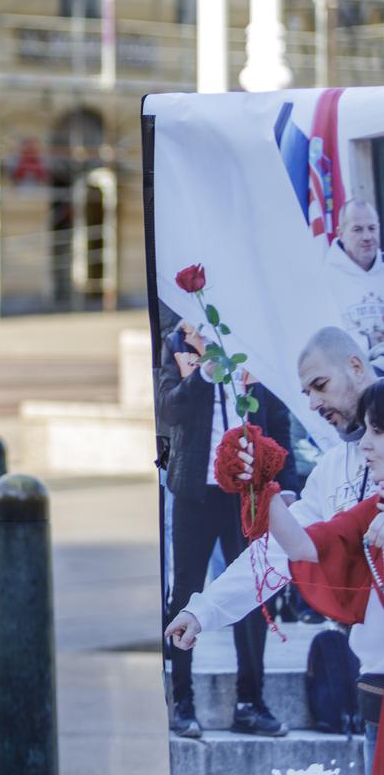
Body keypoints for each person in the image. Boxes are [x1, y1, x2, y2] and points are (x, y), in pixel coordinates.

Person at [166, 327, 382, 751]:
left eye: (320, 385)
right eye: (305, 393)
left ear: (356, 366)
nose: (314, 403)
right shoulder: (332, 468)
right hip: (374, 680)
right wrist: (204, 609)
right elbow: (284, 549)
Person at [156, 319, 292, 738]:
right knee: (186, 591)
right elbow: (167, 410)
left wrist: (286, 488)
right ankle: (182, 702)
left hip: (247, 494)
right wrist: (203, 377)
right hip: (195, 491)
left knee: (255, 588)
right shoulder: (178, 342)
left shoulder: (254, 337)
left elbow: (278, 415)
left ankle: (251, 702)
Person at [246, 379, 384, 774]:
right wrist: (260, 487)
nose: (365, 445)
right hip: (375, 694)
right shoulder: (372, 507)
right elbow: (307, 547)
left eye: (377, 431)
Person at [326, 200, 384, 352]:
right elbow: (324, 344)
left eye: (372, 228)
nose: (367, 236)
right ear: (341, 234)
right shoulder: (324, 279)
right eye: (357, 229)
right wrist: (369, 342)